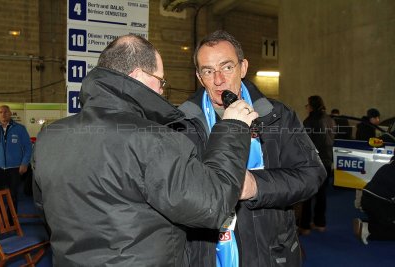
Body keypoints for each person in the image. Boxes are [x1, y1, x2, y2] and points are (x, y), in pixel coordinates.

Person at [32, 34, 259, 266]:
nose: (161, 91)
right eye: (160, 81)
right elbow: (212, 203)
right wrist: (232, 128)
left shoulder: (49, 137)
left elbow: (47, 211)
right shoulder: (153, 138)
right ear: (139, 75)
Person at [179, 30, 326, 267]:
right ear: (199, 76)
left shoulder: (277, 116)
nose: (218, 80)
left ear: (243, 67)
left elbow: (312, 174)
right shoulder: (182, 123)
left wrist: (256, 186)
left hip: (271, 252)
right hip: (206, 255)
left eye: (227, 67)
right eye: (208, 71)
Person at [299, 96, 335, 235]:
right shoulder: (329, 119)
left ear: (311, 106)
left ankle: (305, 226)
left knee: (308, 195)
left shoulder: (310, 121)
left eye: (307, 105)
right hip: (326, 161)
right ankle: (320, 223)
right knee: (322, 194)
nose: (306, 107)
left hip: (312, 162)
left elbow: (305, 143)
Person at [0, 105, 32, 211]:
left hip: (15, 168)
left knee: (13, 196)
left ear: (10, 113)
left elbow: (28, 147)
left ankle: (11, 221)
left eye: (6, 112)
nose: (3, 114)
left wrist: (25, 163)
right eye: (1, 112)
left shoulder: (20, 128)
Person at [353, 156, 395, 245]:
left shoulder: (387, 166)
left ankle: (367, 224)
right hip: (379, 203)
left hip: (366, 199)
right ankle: (368, 231)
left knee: (382, 221)